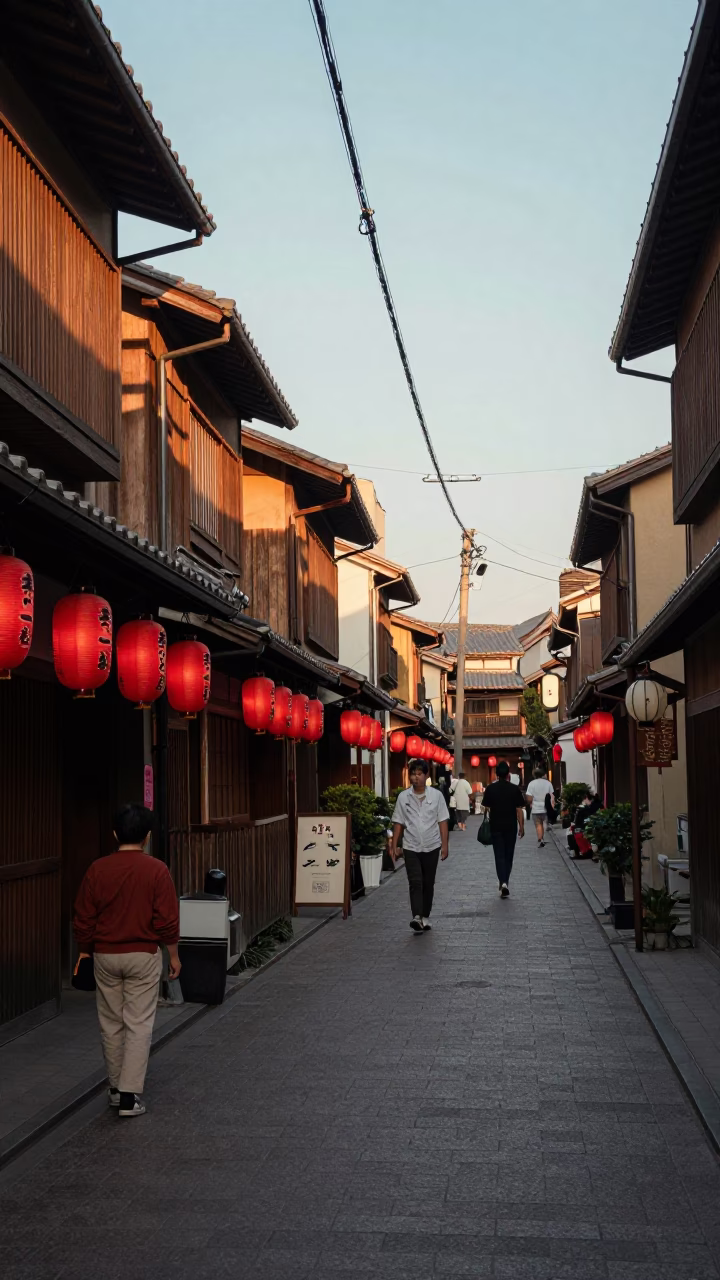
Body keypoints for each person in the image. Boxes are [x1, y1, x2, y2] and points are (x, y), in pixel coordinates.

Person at [73, 803, 180, 1118]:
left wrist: (84, 950)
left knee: (111, 1023)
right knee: (138, 1023)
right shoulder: (157, 870)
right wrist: (173, 954)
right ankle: (129, 1097)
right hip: (143, 954)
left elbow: (84, 916)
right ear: (147, 837)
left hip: (105, 954)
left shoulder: (97, 869)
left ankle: (116, 1088)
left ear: (115, 834)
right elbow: (167, 920)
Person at [391, 758, 449, 932]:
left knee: (428, 882)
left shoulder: (436, 796)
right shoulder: (403, 797)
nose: (415, 778)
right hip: (411, 845)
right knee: (415, 882)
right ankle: (416, 916)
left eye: (419, 774)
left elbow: (443, 821)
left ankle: (425, 915)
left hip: (432, 845)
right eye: (413, 774)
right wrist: (394, 844)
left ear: (426, 775)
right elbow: (398, 822)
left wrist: (445, 845)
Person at [481, 760, 525, 897]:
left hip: (496, 826)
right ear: (508, 774)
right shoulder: (514, 789)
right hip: (510, 826)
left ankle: (503, 881)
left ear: (496, 774)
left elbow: (486, 808)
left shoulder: (490, 789)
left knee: (499, 855)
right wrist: (521, 826)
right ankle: (505, 880)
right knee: (508, 855)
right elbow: (519, 810)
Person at [525, 767, 554, 847]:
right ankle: (543, 837)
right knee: (545, 822)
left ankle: (540, 838)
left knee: (538, 824)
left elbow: (529, 798)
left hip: (535, 808)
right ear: (543, 774)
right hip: (546, 807)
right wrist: (552, 805)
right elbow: (552, 795)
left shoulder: (531, 784)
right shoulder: (548, 783)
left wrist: (530, 802)